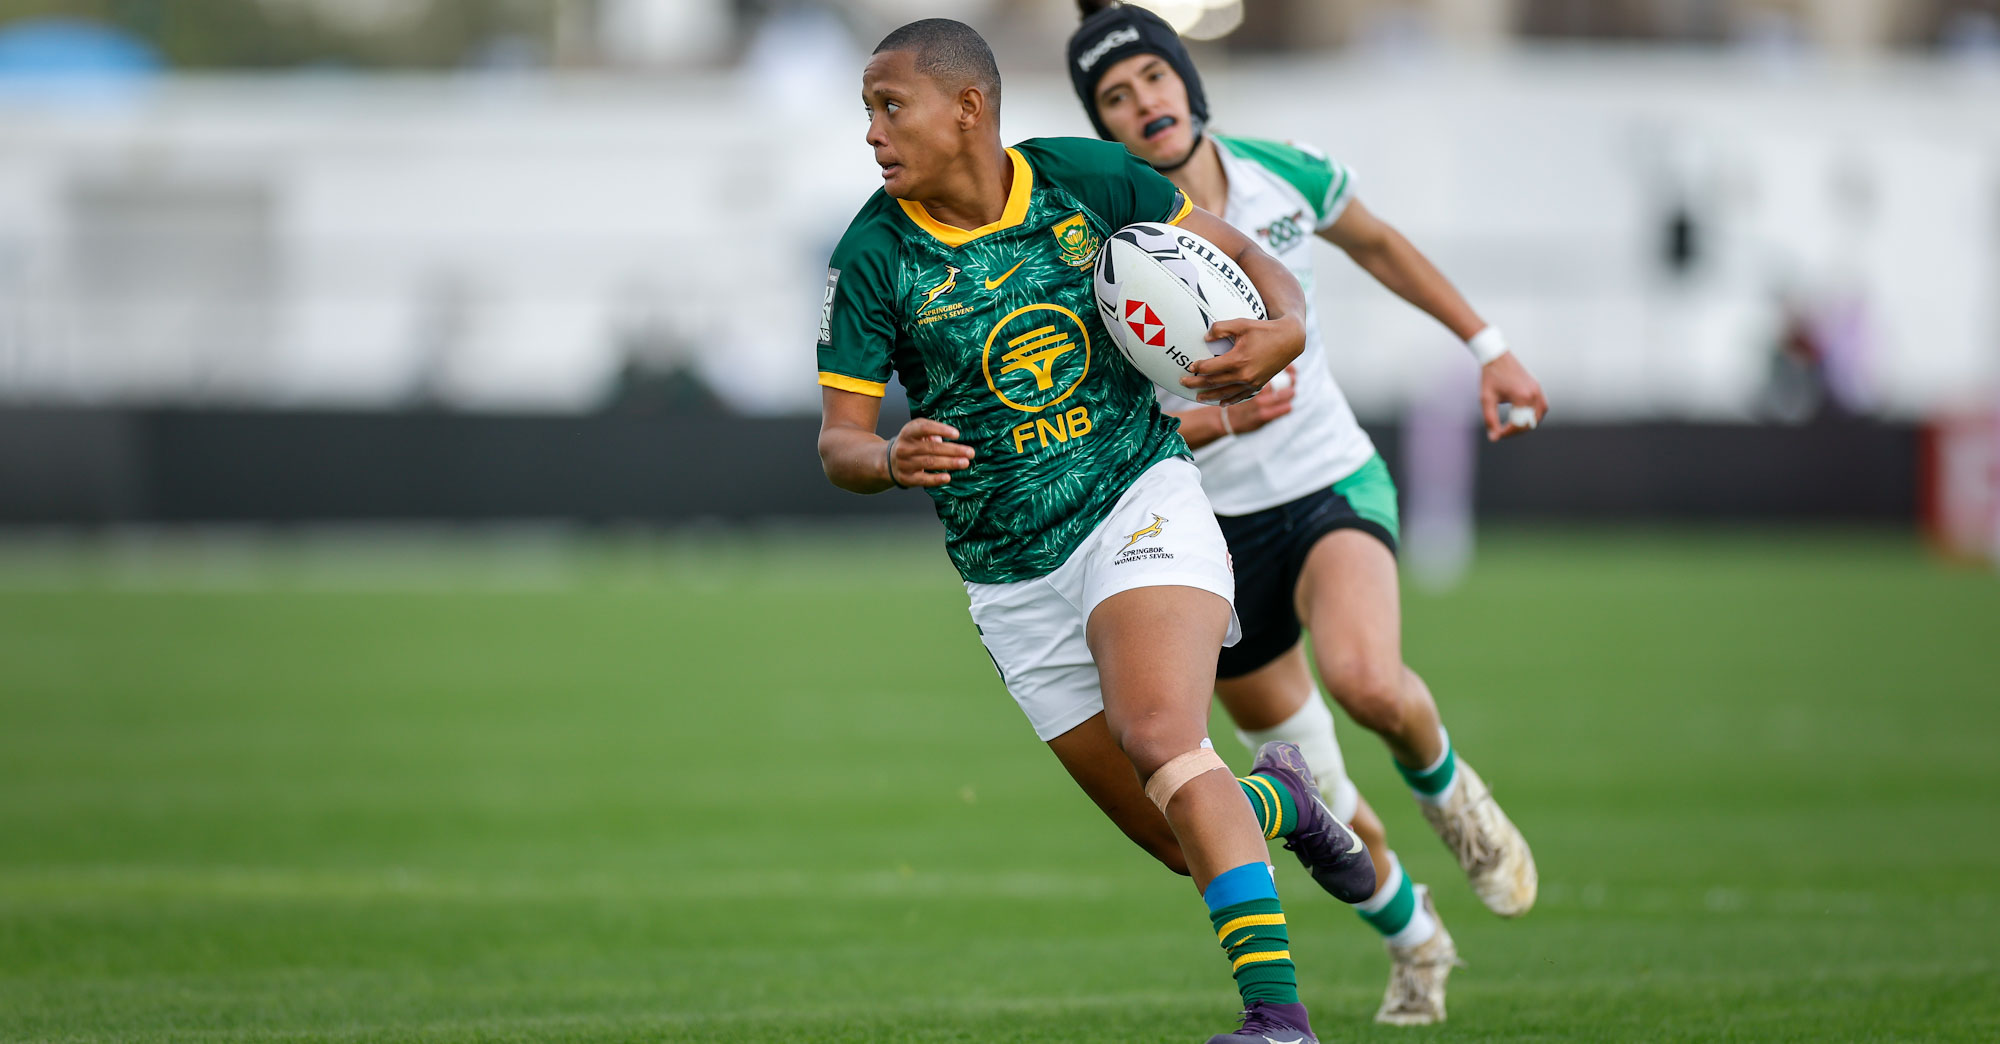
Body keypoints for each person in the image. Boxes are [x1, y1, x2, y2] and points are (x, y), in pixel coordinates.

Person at [814, 18, 1377, 1044]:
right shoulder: (871, 258)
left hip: (1137, 503)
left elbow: (1246, 259)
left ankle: (1277, 1021)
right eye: (866, 112)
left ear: (968, 109)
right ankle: (1282, 801)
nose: (872, 134)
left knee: (1162, 736)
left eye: (889, 107)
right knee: (1179, 834)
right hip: (1007, 576)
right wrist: (889, 458)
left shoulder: (1087, 178)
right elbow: (838, 444)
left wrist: (1284, 327)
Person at [1065, 1, 1550, 1026]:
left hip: (1327, 481)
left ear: (1186, 83)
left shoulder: (1280, 172)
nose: (1141, 103)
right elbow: (1110, 420)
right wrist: (1212, 425)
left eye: (1151, 78)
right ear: (1098, 129)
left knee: (1366, 680)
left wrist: (1488, 345)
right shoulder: (1098, 248)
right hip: (1204, 540)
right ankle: (1415, 937)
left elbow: (1379, 246)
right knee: (1316, 802)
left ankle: (1452, 795)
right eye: (1112, 98)